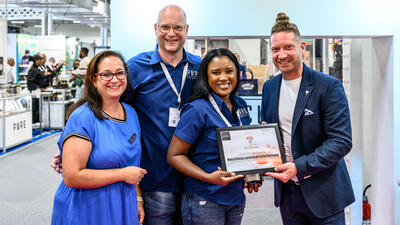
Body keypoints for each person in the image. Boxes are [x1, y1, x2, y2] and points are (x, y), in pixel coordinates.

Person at [261, 13, 355, 225]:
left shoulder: (328, 86)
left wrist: (299, 167)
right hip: (288, 194)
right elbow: (268, 134)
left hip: (324, 193)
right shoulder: (269, 88)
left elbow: (341, 141)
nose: (281, 55)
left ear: (302, 47)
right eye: (276, 49)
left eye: (288, 47)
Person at [124, 5, 202, 225]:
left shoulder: (201, 68)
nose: (171, 33)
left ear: (186, 29)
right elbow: (115, 114)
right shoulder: (136, 67)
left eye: (177, 27)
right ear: (155, 28)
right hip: (154, 176)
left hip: (195, 176)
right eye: (165, 27)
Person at [51, 50, 147, 225]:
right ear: (93, 80)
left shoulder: (131, 113)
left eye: (120, 73)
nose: (115, 79)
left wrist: (137, 199)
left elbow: (132, 166)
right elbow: (72, 177)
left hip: (122, 201)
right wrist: (122, 174)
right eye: (106, 74)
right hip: (88, 206)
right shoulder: (83, 118)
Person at [167, 48, 250, 225]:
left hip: (235, 197)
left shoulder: (241, 105)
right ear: (206, 76)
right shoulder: (197, 109)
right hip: (205, 199)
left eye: (229, 71)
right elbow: (174, 156)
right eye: (215, 72)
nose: (223, 78)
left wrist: (251, 175)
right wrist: (208, 177)